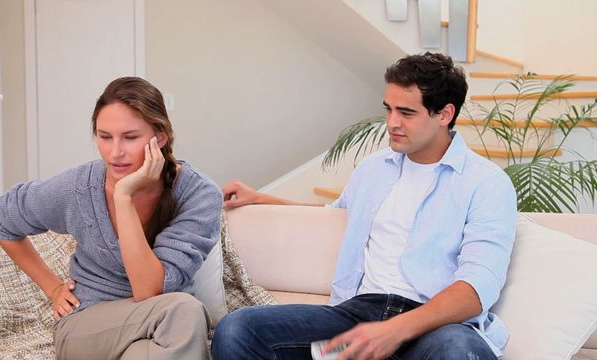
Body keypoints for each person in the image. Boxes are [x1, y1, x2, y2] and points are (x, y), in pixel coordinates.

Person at [212, 52, 517, 360]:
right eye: (389, 109)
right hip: (356, 318)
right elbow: (335, 215)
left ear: (444, 114)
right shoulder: (373, 170)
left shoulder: (486, 183)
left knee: (458, 351)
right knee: (238, 329)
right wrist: (261, 199)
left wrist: (394, 330)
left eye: (406, 113)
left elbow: (476, 288)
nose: (392, 123)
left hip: (434, 328)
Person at [0, 77, 223, 360]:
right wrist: (53, 289)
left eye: (130, 137)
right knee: (185, 309)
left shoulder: (198, 195)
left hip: (162, 330)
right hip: (87, 325)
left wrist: (122, 196)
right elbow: (3, 220)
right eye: (105, 137)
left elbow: (149, 291)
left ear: (159, 136)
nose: (115, 152)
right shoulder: (79, 187)